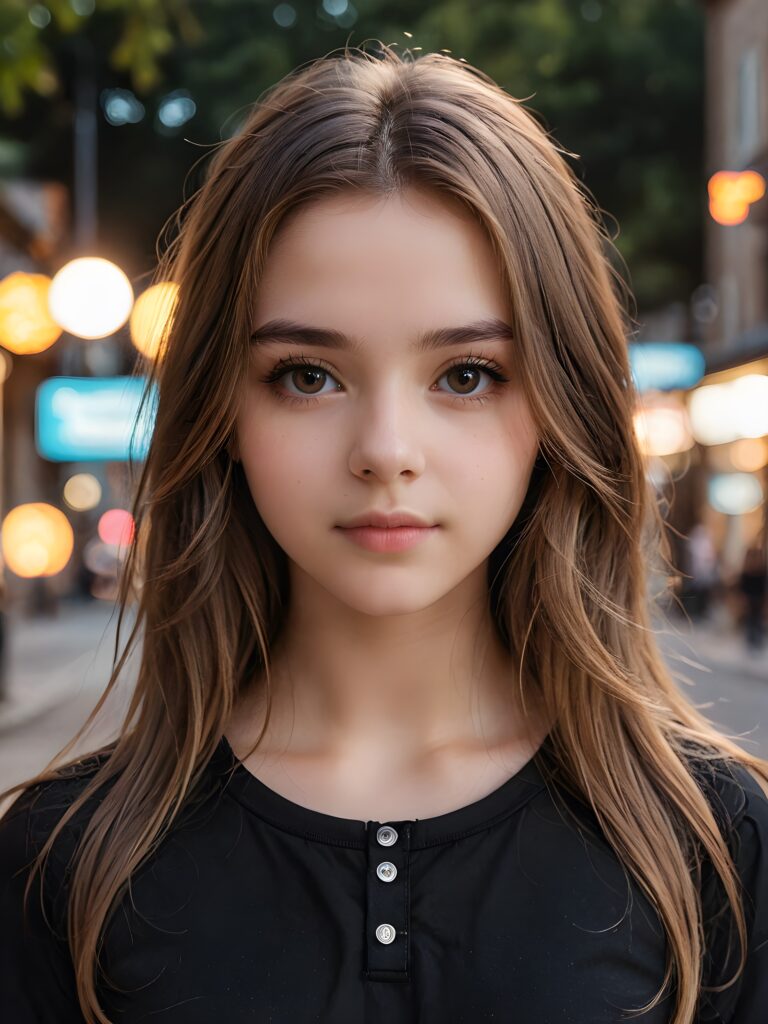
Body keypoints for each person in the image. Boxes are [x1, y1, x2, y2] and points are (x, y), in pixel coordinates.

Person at [1, 43, 767, 1024]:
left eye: (466, 374)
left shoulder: (710, 847)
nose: (385, 450)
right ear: (222, 413)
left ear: (559, 403)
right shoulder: (66, 864)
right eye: (307, 375)